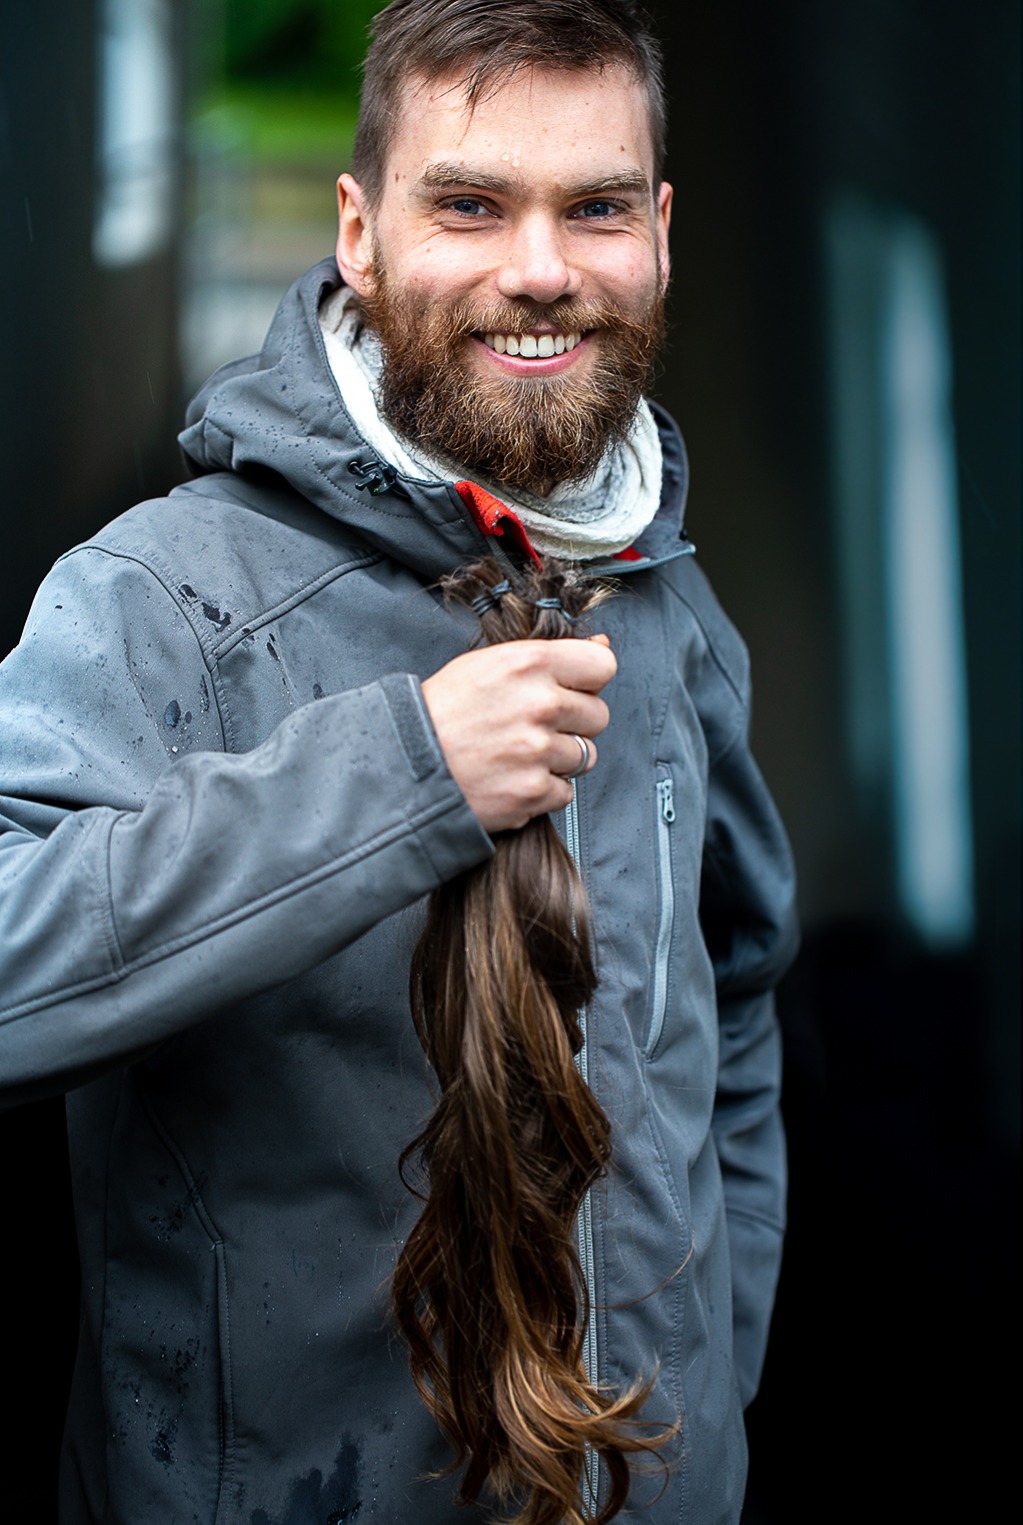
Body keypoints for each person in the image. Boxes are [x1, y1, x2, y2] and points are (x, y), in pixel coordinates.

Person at [0, 1, 798, 1520]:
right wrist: (405, 773)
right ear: (359, 237)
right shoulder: (157, 596)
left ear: (661, 233)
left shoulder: (674, 612)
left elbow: (738, 1010)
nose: (542, 269)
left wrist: (715, 1392)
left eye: (596, 208)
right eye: (472, 205)